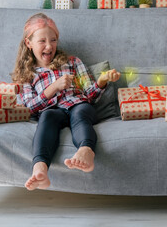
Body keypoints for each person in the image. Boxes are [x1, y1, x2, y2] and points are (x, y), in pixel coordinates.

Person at [11, 13, 121, 191]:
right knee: (47, 118)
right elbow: (29, 108)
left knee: (80, 114)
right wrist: (53, 88)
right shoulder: (27, 75)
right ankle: (40, 168)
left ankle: (86, 150)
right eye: (42, 41)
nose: (49, 46)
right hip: (52, 110)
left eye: (53, 40)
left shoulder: (72, 62)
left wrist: (102, 81)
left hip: (78, 104)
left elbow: (90, 94)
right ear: (28, 43)